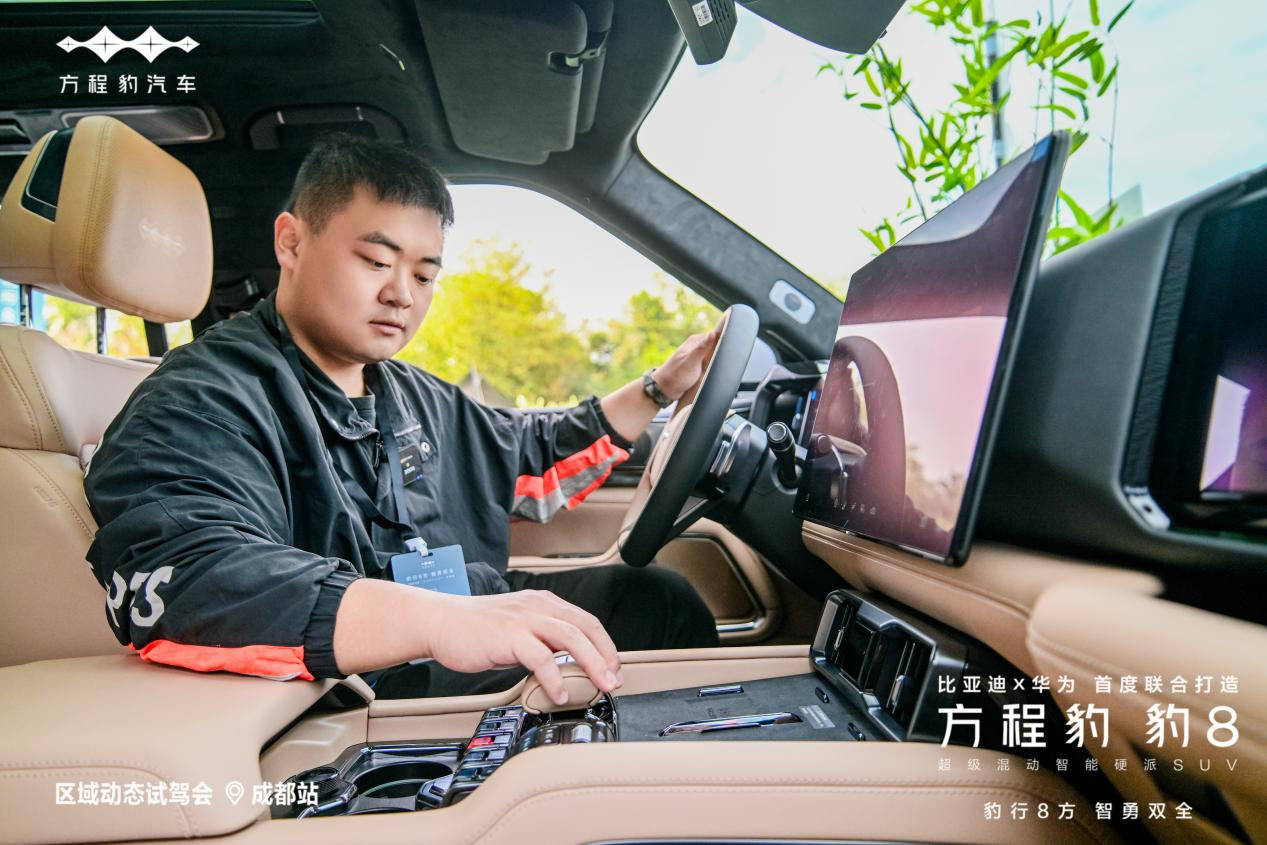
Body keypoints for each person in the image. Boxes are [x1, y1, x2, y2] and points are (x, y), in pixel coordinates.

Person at [84, 133, 721, 705]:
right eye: (376, 261)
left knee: (656, 600)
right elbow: (191, 575)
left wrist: (659, 387)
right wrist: (434, 621)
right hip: (355, 685)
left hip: (454, 617)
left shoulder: (409, 393)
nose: (401, 294)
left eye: (423, 274)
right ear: (292, 242)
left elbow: (530, 454)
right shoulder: (201, 399)